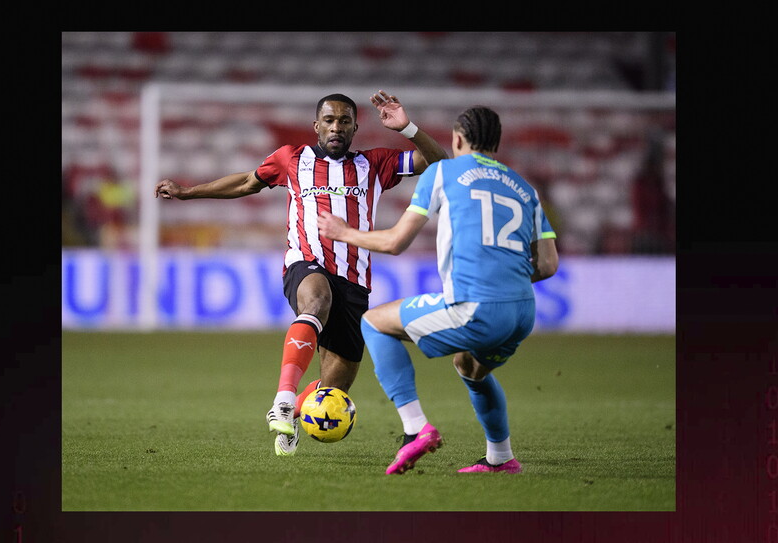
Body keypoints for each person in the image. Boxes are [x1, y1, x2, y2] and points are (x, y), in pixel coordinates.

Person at [155, 91, 447, 457]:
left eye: (344, 121)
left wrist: (407, 127)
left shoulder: (375, 164)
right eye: (329, 121)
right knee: (317, 298)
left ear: (356, 127)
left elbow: (440, 161)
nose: (336, 127)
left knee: (333, 390)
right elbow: (247, 182)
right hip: (305, 264)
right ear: (316, 126)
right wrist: (188, 192)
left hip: (355, 281)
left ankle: (292, 414)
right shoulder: (291, 159)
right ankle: (283, 398)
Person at [317, 106, 559, 474]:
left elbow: (396, 241)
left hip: (475, 305)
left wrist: (344, 232)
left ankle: (415, 429)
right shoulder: (526, 189)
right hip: (522, 312)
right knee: (469, 366)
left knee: (375, 323)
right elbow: (547, 265)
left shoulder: (444, 173)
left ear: (457, 139)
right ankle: (501, 459)